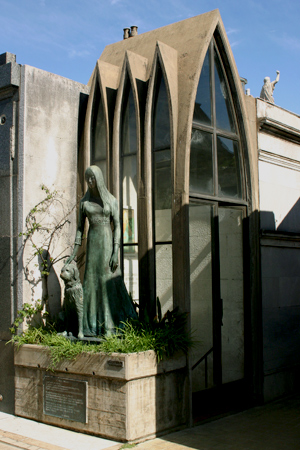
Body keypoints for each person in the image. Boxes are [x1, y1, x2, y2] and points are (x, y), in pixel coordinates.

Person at [66, 165, 137, 336]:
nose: (90, 182)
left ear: (99, 178)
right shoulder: (84, 203)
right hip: (93, 245)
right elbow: (79, 230)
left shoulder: (111, 200)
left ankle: (110, 324)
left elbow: (118, 226)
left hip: (107, 243)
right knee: (91, 281)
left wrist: (115, 251)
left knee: (107, 281)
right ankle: (90, 325)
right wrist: (73, 255)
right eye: (87, 178)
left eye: (93, 178)